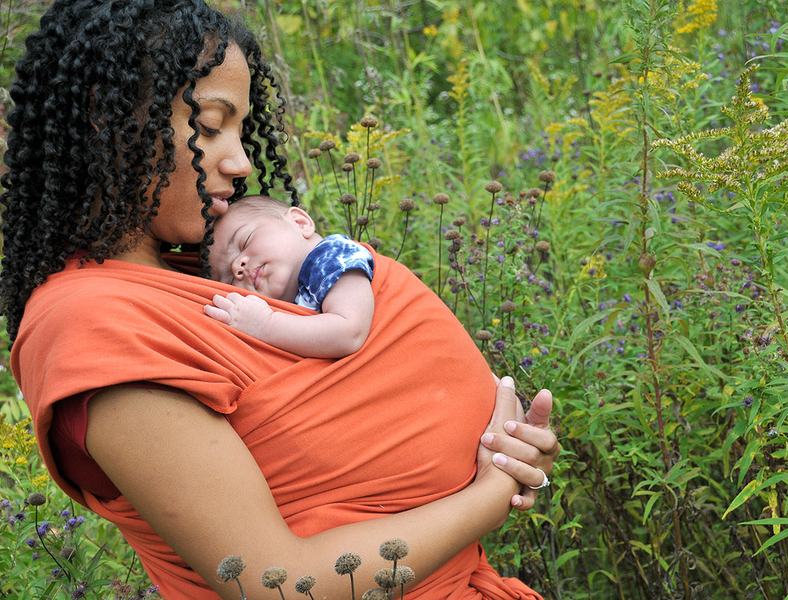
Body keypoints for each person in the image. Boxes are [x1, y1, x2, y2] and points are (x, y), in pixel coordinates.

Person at [1, 2, 560, 599]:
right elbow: (282, 586)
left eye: (241, 130)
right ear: (104, 119)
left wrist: (510, 450)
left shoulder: (203, 268)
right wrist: (491, 493)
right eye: (209, 126)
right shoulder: (93, 328)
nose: (241, 162)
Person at [205, 195, 375, 358]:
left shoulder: (332, 257)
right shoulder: (293, 298)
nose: (237, 267)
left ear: (300, 222)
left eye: (244, 241)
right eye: (229, 279)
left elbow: (350, 332)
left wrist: (265, 325)